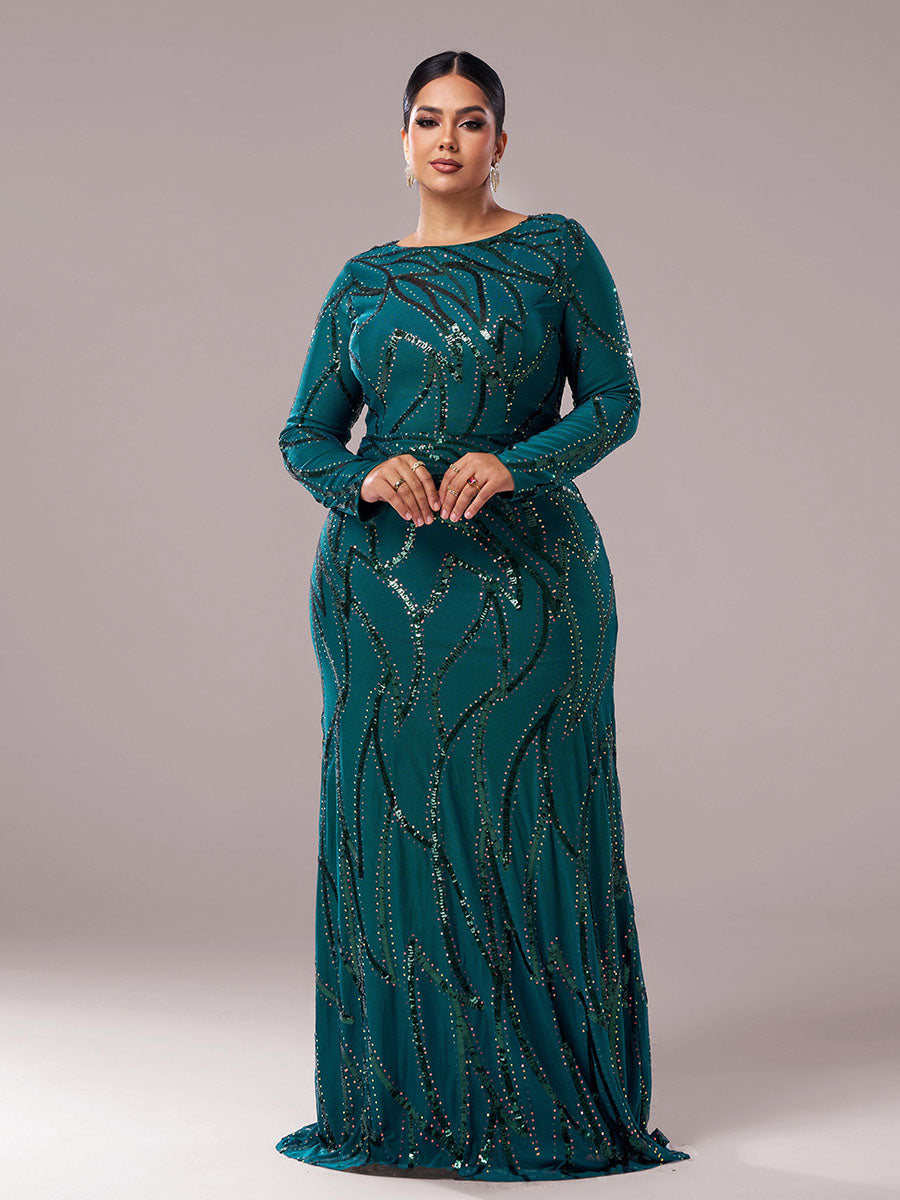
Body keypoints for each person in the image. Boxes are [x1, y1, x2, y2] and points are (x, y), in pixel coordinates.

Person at [274, 48, 691, 1183]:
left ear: (502, 141)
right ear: (401, 140)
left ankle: (540, 1101)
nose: (447, 139)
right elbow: (305, 433)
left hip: (528, 587)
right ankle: (407, 1101)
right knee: (395, 835)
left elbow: (616, 402)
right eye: (428, 119)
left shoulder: (555, 250)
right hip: (379, 593)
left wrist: (515, 464)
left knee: (521, 824)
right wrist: (363, 474)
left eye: (470, 121)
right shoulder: (364, 279)